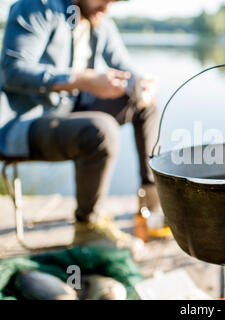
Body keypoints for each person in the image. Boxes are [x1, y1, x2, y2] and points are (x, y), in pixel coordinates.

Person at [0, 0, 163, 254]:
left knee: (145, 105)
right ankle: (87, 228)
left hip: (70, 111)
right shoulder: (36, 6)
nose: (107, 7)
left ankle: (151, 201)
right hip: (25, 124)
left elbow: (124, 66)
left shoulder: (98, 18)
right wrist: (82, 79)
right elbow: (13, 71)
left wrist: (139, 83)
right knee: (102, 129)